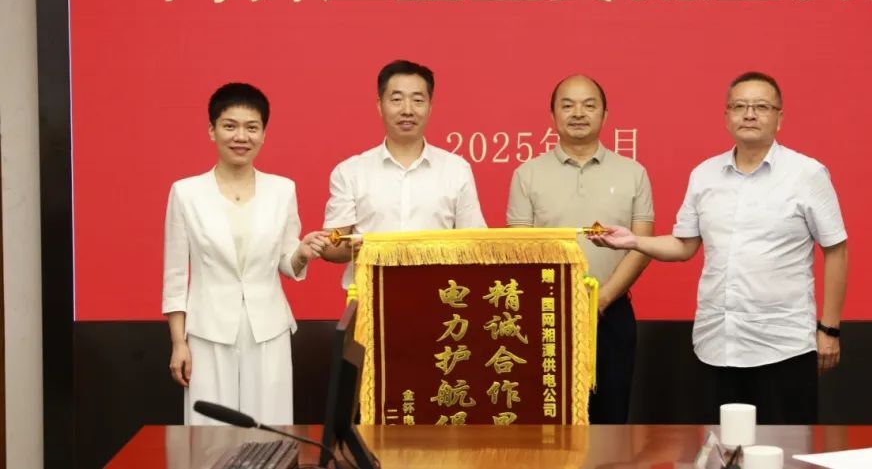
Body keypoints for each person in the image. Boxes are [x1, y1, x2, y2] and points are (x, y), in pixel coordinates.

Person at [590, 72, 848, 424]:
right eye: (739, 106)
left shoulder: (807, 174)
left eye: (761, 107)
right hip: (717, 345)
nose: (749, 114)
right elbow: (683, 245)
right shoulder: (704, 175)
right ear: (726, 116)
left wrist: (829, 329)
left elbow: (836, 250)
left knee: (785, 449)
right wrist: (634, 241)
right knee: (722, 449)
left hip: (782, 345)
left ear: (779, 117)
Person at [163, 82, 328, 425]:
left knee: (270, 427)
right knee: (209, 432)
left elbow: (286, 262)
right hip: (208, 330)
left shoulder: (282, 190)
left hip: (268, 327)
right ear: (212, 130)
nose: (241, 136)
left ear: (264, 134)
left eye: (252, 128)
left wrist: (302, 253)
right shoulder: (186, 193)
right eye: (230, 126)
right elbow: (175, 276)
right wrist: (179, 343)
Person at [507, 74, 654, 424]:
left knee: (610, 419)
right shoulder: (527, 174)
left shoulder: (633, 173)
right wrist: (563, 303)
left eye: (589, 105)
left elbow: (642, 245)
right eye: (568, 105)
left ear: (604, 114)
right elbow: (520, 248)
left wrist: (601, 300)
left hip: (611, 312)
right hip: (546, 315)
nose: (578, 113)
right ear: (553, 115)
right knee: (549, 421)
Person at [321, 60, 486, 284]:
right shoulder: (351, 172)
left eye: (417, 100)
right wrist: (358, 247)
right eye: (397, 100)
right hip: (370, 294)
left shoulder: (456, 169)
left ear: (430, 107)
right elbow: (333, 245)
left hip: (439, 294)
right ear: (380, 105)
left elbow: (476, 242)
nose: (407, 110)